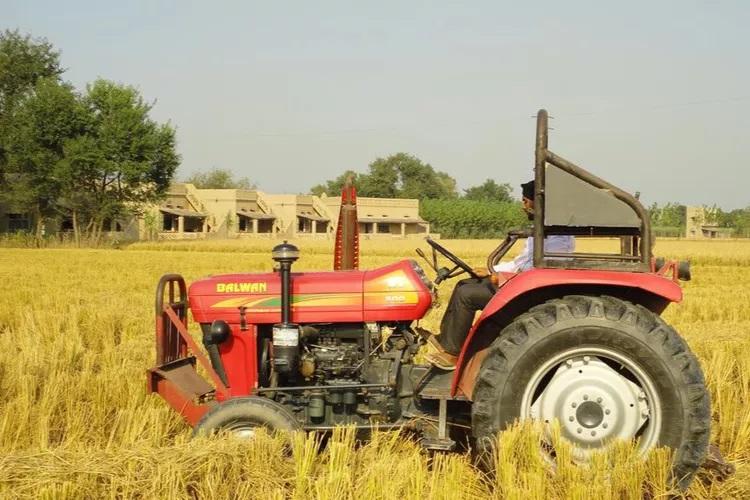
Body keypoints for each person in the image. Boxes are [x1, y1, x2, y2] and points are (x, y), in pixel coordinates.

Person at [423, 180, 575, 370]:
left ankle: (453, 353)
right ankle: (446, 340)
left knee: (467, 295)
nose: (523, 206)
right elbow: (521, 262)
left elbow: (541, 268)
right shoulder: (541, 229)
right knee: (464, 284)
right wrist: (492, 270)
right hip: (524, 282)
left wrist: (505, 277)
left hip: (531, 291)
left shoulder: (557, 234)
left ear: (539, 203)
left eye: (526, 201)